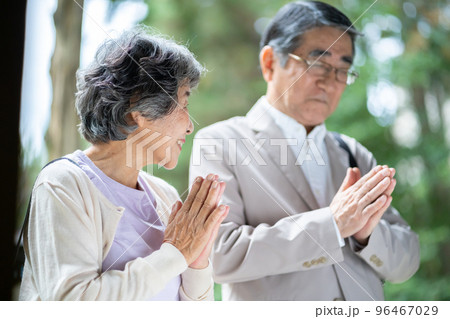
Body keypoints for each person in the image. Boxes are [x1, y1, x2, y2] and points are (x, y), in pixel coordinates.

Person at [189, 1, 419, 300]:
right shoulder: (220, 142)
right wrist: (332, 225)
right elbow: (218, 255)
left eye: (342, 70)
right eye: (318, 63)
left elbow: (407, 261)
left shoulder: (352, 153)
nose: (330, 82)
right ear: (270, 62)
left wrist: (367, 235)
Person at [19, 29, 229, 301]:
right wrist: (175, 253)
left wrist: (195, 262)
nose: (190, 126)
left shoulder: (164, 195)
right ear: (139, 108)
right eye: (184, 103)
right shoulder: (64, 184)